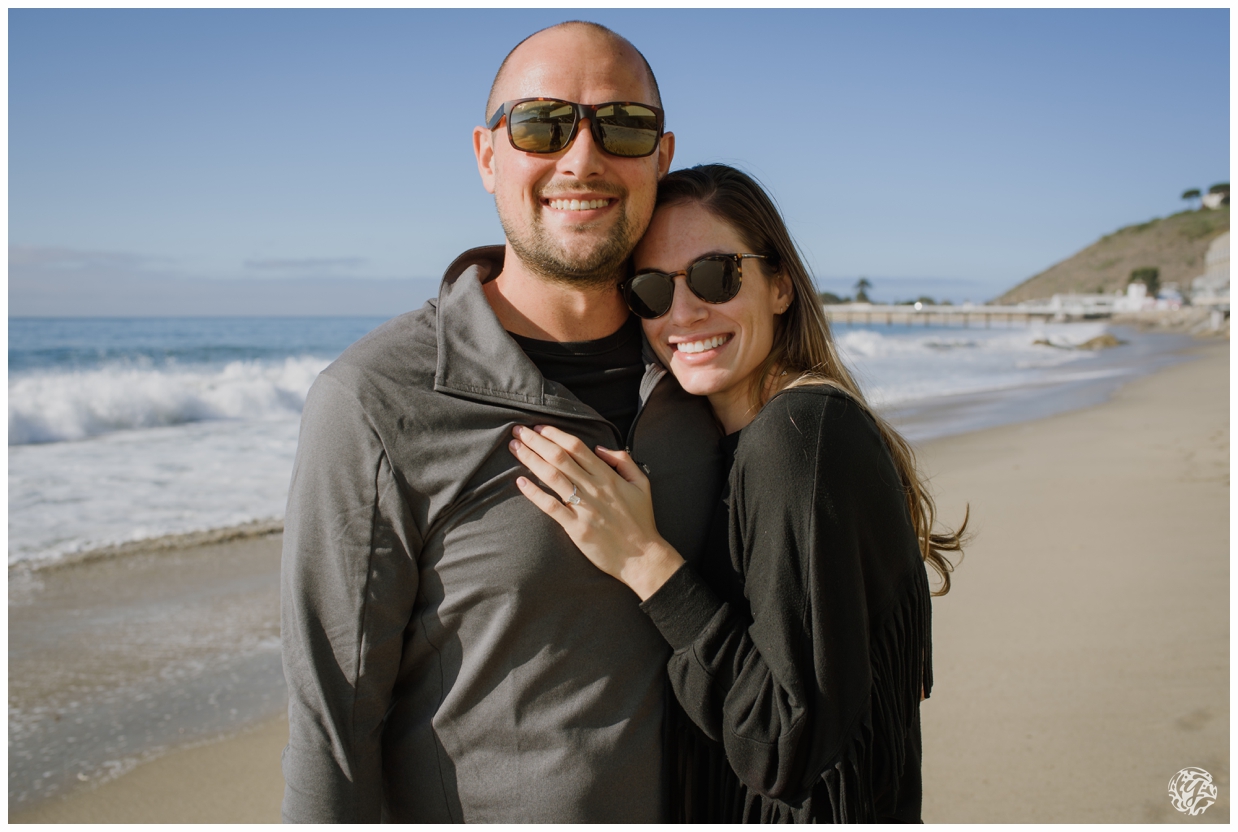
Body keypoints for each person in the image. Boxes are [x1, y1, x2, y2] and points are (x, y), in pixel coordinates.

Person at [279, 23, 726, 823]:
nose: (583, 159)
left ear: (661, 157)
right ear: (488, 155)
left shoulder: (708, 369)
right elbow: (331, 733)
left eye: (623, 125)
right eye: (541, 124)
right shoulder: (374, 400)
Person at [509, 164, 968, 822]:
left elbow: (784, 746)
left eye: (714, 275)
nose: (685, 310)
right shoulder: (757, 437)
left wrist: (643, 559)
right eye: (650, 289)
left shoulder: (796, 437)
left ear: (780, 285)